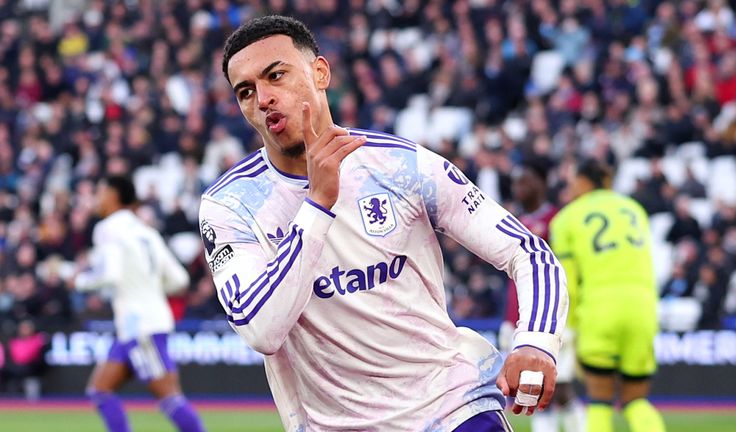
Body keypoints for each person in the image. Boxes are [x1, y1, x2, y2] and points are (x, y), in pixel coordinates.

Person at [199, 15, 568, 431]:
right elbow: (261, 329)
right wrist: (318, 204)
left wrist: (537, 341)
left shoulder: (401, 165)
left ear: (320, 73)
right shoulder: (231, 205)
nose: (263, 98)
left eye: (276, 75)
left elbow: (529, 252)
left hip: (453, 411)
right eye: (246, 91)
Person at [75, 176, 205, 432]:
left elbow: (109, 275)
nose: (97, 198)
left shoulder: (107, 228)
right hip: (141, 323)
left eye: (100, 191)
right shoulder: (147, 231)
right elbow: (179, 278)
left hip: (140, 326)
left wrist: (78, 281)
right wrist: (150, 288)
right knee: (100, 390)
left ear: (113, 195)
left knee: (169, 396)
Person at [549, 159, 665, 432]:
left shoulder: (566, 219)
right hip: (642, 307)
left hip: (599, 309)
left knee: (599, 399)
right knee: (636, 399)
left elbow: (569, 283)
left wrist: (570, 328)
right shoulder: (635, 209)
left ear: (583, 182)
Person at [500, 159, 585, 432]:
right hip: (514, 315)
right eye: (516, 182)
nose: (518, 187)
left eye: (524, 180)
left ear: (541, 182)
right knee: (532, 392)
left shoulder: (557, 220)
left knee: (559, 387)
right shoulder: (511, 222)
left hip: (550, 317)